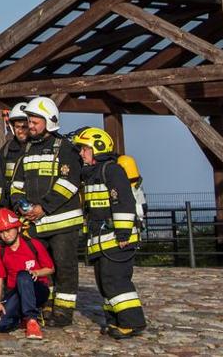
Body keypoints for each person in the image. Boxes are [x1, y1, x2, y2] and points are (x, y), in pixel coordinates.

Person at [9, 96, 82, 327]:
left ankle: (63, 312)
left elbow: (68, 184)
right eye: (29, 121)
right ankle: (43, 305)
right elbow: (16, 184)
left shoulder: (66, 149)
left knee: (64, 267)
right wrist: (21, 205)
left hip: (62, 223)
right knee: (36, 267)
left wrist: (43, 207)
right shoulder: (27, 150)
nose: (30, 126)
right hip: (35, 223)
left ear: (49, 122)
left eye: (35, 122)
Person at [74, 126, 146, 339]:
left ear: (97, 148)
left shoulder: (112, 171)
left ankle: (132, 322)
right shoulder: (91, 174)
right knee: (105, 282)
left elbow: (123, 202)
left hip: (117, 240)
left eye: (84, 149)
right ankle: (114, 320)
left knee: (116, 281)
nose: (81, 153)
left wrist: (123, 234)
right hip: (102, 241)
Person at [0, 207, 52, 340]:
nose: (5, 235)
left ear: (18, 228)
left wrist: (36, 272)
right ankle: (21, 317)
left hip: (37, 289)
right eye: (1, 232)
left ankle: (31, 320)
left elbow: (50, 268)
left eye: (8, 230)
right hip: (15, 292)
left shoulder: (33, 244)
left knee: (23, 276)